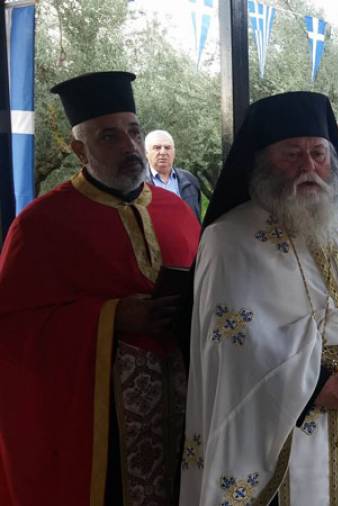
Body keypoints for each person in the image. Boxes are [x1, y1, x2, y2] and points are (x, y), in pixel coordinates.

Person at [179, 92, 338, 505]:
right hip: (283, 434)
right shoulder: (229, 239)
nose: (308, 166)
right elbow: (231, 350)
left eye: (318, 154)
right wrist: (318, 388)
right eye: (292, 155)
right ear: (262, 162)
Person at [0, 71, 200, 505]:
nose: (130, 146)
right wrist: (111, 316)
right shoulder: (40, 225)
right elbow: (13, 328)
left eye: (134, 132)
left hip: (183, 397)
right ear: (79, 149)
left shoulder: (178, 212)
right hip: (96, 415)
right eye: (109, 136)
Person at [144, 129, 203, 220]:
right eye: (157, 147)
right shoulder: (138, 184)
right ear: (146, 153)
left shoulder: (189, 180)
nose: (163, 152)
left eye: (167, 148)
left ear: (174, 152)